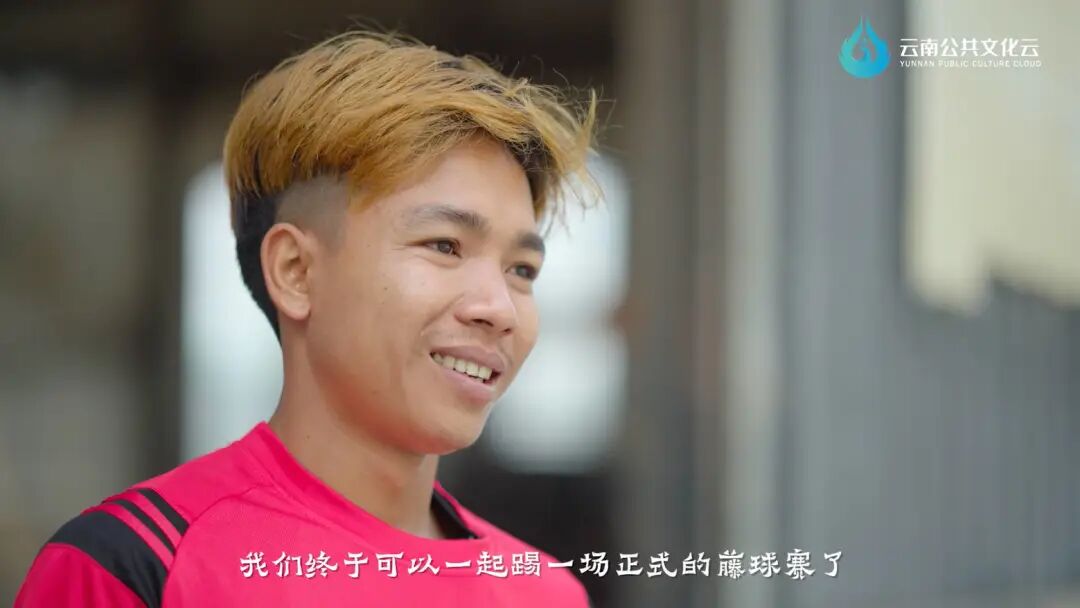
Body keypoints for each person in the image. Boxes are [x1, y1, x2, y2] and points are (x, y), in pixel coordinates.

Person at [16, 29, 599, 607]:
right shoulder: (135, 567)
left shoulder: (545, 593)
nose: (499, 310)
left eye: (522, 270)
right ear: (295, 271)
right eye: (444, 245)